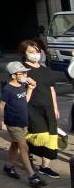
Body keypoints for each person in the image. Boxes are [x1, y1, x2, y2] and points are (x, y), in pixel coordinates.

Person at [0, 61, 46, 188]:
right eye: (22, 73)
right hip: (13, 123)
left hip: (23, 122)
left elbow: (25, 101)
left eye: (25, 73)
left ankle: (8, 166)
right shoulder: (8, 89)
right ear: (14, 75)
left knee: (15, 144)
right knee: (24, 147)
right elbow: (1, 105)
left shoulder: (22, 86)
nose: (25, 75)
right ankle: (32, 175)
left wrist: (30, 88)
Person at [19, 40, 60, 179]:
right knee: (39, 135)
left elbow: (52, 89)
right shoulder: (22, 70)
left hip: (48, 108)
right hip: (32, 108)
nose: (35, 54)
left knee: (51, 136)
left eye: (37, 51)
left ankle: (45, 167)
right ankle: (27, 153)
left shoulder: (46, 70)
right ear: (24, 53)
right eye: (31, 52)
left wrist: (55, 108)